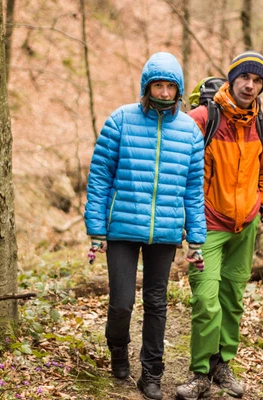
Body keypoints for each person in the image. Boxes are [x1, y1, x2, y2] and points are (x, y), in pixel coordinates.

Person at [84, 51, 206, 400]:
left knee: (156, 303)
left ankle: (152, 372)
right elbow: (99, 179)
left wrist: (195, 239)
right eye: (158, 85)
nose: (165, 93)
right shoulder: (120, 121)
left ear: (179, 90)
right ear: (146, 85)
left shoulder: (190, 132)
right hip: (122, 227)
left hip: (165, 233)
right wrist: (96, 229)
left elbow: (194, 190)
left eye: (171, 86)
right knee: (121, 303)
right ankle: (118, 349)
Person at [177, 51, 263, 399]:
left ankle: (222, 364)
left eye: (257, 81)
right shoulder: (202, 118)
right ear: (231, 79)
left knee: (233, 298)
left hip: (245, 226)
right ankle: (200, 375)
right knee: (207, 301)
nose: (250, 85)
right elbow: (180, 169)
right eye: (244, 78)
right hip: (207, 225)